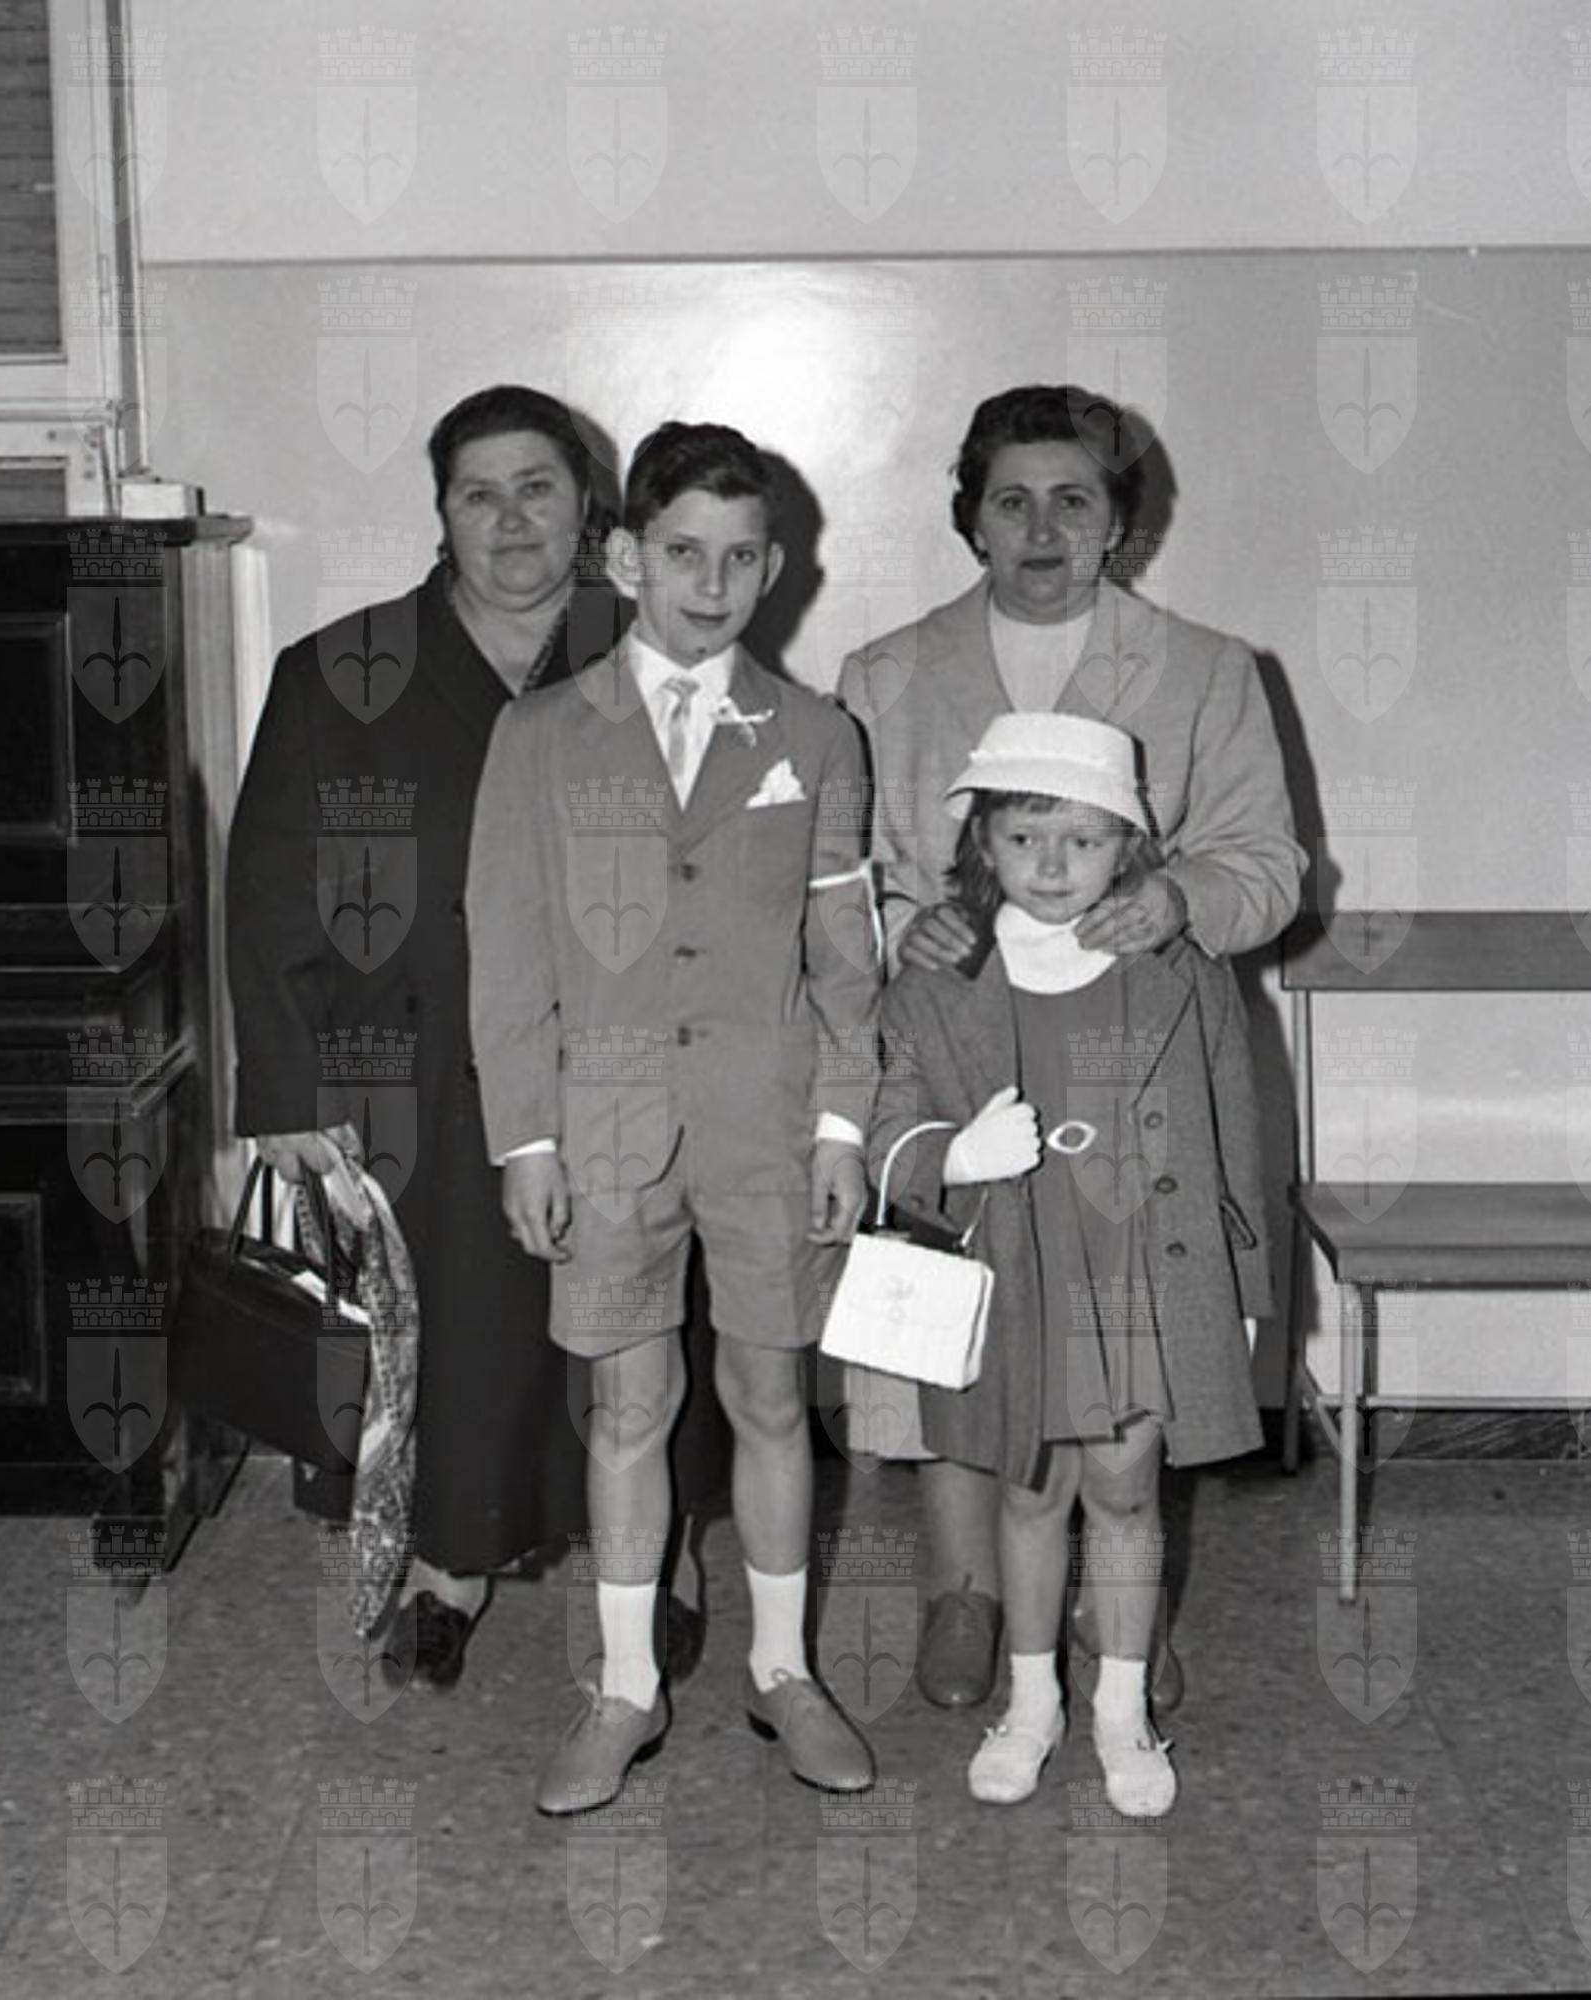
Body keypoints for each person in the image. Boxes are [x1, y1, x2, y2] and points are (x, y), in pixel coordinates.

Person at [225, 384, 719, 1694]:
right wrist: (282, 1093)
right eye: (477, 494)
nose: (510, 519)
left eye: (537, 488)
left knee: (637, 1325)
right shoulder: (338, 671)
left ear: (587, 505)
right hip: (411, 1063)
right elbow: (267, 891)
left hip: (623, 1064)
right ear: (441, 513)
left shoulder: (661, 653)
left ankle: (659, 1557)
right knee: (452, 1335)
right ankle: (448, 1565)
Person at [836, 383, 1304, 1712]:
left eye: (1072, 501)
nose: (1041, 529)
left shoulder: (1206, 669)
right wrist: (903, 923)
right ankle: (962, 1590)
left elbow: (1266, 864)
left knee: (1117, 1335)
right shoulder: (882, 673)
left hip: (1125, 1049)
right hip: (958, 1033)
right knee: (961, 1308)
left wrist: (1179, 897)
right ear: (969, 520)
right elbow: (835, 871)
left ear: (1117, 523)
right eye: (1011, 501)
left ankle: (1115, 1607)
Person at [466, 421, 880, 1814]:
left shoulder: (815, 736)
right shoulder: (539, 734)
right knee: (627, 1408)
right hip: (604, 1129)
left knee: (771, 1400)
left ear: (774, 566)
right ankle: (625, 1686)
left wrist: (841, 1130)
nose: (712, 584)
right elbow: (507, 953)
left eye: (741, 557)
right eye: (683, 553)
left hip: (768, 1125)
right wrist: (526, 1139)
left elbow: (845, 961)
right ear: (626, 556)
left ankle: (782, 1669)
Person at [869, 711, 1272, 1813]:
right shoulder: (941, 975)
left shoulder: (1178, 970)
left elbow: (1233, 1129)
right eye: (1023, 838)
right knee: (1030, 1488)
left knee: (1127, 1490)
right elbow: (888, 1120)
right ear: (982, 843)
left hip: (1140, 1271)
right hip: (1019, 1271)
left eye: (1083, 840)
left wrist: (1239, 1288)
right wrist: (955, 1155)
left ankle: (1121, 1707)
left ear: (1128, 846)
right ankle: (1032, 1700)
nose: (1052, 867)